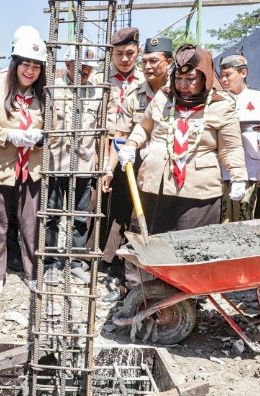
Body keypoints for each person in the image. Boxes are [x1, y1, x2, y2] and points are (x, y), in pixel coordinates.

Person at [116, 44, 248, 286]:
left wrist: (238, 177)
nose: (184, 85)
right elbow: (144, 127)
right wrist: (130, 145)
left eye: (191, 79)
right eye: (179, 78)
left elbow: (230, 148)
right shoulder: (163, 97)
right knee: (144, 240)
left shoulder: (221, 105)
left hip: (196, 193)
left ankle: (183, 300)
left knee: (189, 247)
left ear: (205, 78)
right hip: (154, 186)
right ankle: (138, 293)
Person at [101, 37, 172, 301]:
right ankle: (131, 285)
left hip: (171, 171)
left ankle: (165, 282)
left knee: (165, 225)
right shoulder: (134, 96)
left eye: (155, 61)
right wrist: (109, 170)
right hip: (136, 170)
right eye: (146, 62)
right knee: (133, 223)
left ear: (169, 62)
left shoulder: (183, 91)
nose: (148, 67)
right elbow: (119, 136)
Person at [0, 33, 47, 295]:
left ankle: (33, 272)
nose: (30, 71)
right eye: (25, 64)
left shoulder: (44, 95)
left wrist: (40, 138)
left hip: (31, 171)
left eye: (36, 66)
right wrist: (9, 135)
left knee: (31, 224)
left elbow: (55, 128)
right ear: (15, 63)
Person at [44, 45, 101, 286]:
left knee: (80, 216)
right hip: (56, 162)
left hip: (84, 164)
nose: (85, 71)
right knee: (53, 215)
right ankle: (51, 264)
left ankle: (76, 262)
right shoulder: (53, 91)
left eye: (89, 67)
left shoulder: (98, 93)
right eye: (80, 66)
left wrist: (100, 160)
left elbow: (100, 130)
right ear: (67, 65)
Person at [100, 27, 145, 277]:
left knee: (128, 206)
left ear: (137, 51)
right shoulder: (101, 80)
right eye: (119, 54)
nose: (125, 59)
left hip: (133, 149)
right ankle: (101, 258)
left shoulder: (145, 81)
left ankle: (123, 260)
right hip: (105, 146)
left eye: (130, 53)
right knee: (102, 205)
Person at [218, 54, 260, 223]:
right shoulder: (217, 99)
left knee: (245, 216)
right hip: (223, 165)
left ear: (243, 73)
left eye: (228, 74)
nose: (224, 79)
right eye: (222, 75)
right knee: (224, 217)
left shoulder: (259, 98)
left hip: (250, 164)